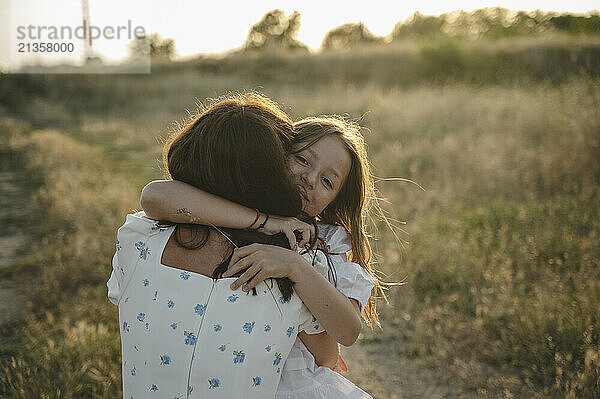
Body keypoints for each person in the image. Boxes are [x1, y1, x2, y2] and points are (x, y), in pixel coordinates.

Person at [107, 93, 342, 398]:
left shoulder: (137, 240)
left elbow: (157, 196)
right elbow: (326, 358)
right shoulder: (290, 263)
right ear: (270, 176)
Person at [141, 115, 387, 398]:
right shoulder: (241, 208)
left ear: (336, 199)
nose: (309, 179)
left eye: (327, 181)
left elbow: (346, 333)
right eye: (303, 160)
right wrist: (265, 221)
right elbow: (155, 196)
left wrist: (294, 266)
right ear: (277, 155)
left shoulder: (326, 246)